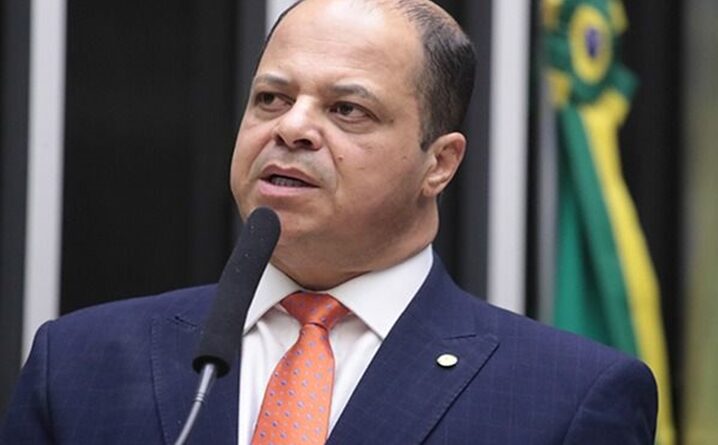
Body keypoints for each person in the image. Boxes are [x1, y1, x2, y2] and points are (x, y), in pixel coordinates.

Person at [1, 0, 658, 444]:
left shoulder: (567, 397)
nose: (291, 128)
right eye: (271, 98)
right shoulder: (80, 363)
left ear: (439, 163)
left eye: (347, 110)